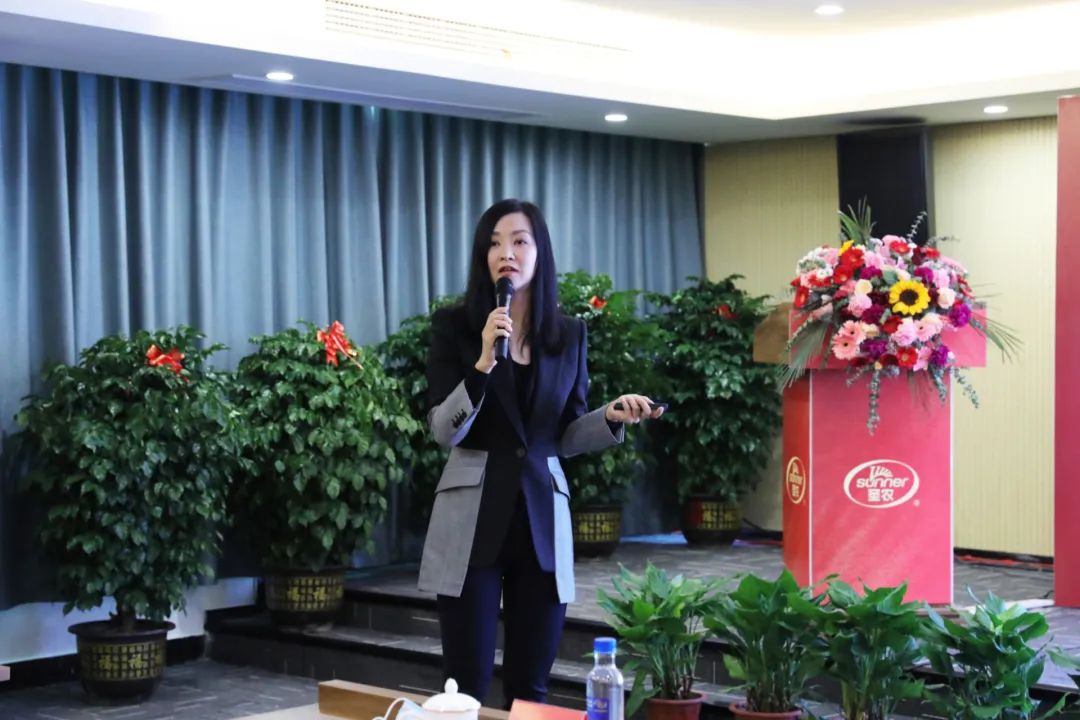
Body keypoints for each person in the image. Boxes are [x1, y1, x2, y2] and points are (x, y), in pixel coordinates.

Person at [418, 198, 663, 709]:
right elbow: (444, 430)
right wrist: (482, 364)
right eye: (494, 243)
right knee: (465, 685)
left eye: (519, 241)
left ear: (540, 252)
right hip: (472, 523)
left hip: (541, 525)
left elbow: (563, 436)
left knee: (531, 690)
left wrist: (610, 416)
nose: (506, 253)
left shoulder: (568, 334)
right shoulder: (456, 326)